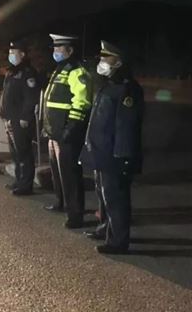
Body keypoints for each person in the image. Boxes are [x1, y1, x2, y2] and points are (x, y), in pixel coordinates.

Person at [81, 41, 143, 254]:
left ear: (118, 62)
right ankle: (106, 229)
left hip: (114, 154)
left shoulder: (127, 88)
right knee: (104, 194)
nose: (101, 61)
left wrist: (123, 156)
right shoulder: (110, 84)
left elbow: (126, 126)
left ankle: (118, 241)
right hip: (102, 151)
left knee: (116, 199)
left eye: (106, 57)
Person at [41, 34, 92, 228]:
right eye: (54, 49)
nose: (55, 52)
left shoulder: (77, 71)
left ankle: (75, 214)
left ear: (70, 51)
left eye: (59, 49)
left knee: (70, 174)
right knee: (57, 171)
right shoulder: (60, 69)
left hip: (66, 133)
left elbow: (82, 102)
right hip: (54, 132)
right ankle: (60, 202)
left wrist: (71, 128)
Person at [0, 40, 40, 195]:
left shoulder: (28, 72)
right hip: (10, 118)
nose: (11, 55)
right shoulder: (12, 71)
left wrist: (25, 117)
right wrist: (4, 115)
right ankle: (18, 180)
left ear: (22, 54)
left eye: (14, 52)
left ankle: (26, 185)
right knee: (16, 153)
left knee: (24, 153)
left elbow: (31, 97)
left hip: (20, 119)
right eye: (10, 52)